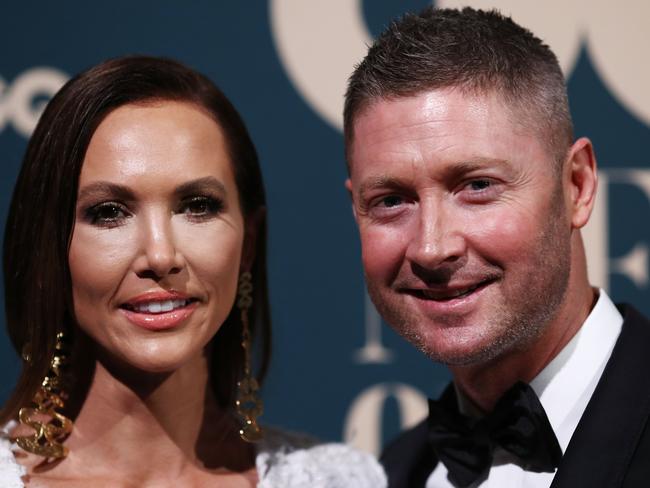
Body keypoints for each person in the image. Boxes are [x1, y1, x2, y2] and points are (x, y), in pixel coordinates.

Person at [0, 56, 386, 487]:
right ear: (46, 249)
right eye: (109, 212)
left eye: (198, 207)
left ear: (249, 242)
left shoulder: (343, 480)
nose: (161, 255)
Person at [343, 7, 650, 488]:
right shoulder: (393, 469)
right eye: (392, 200)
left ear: (577, 185)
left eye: (477, 185)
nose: (430, 247)